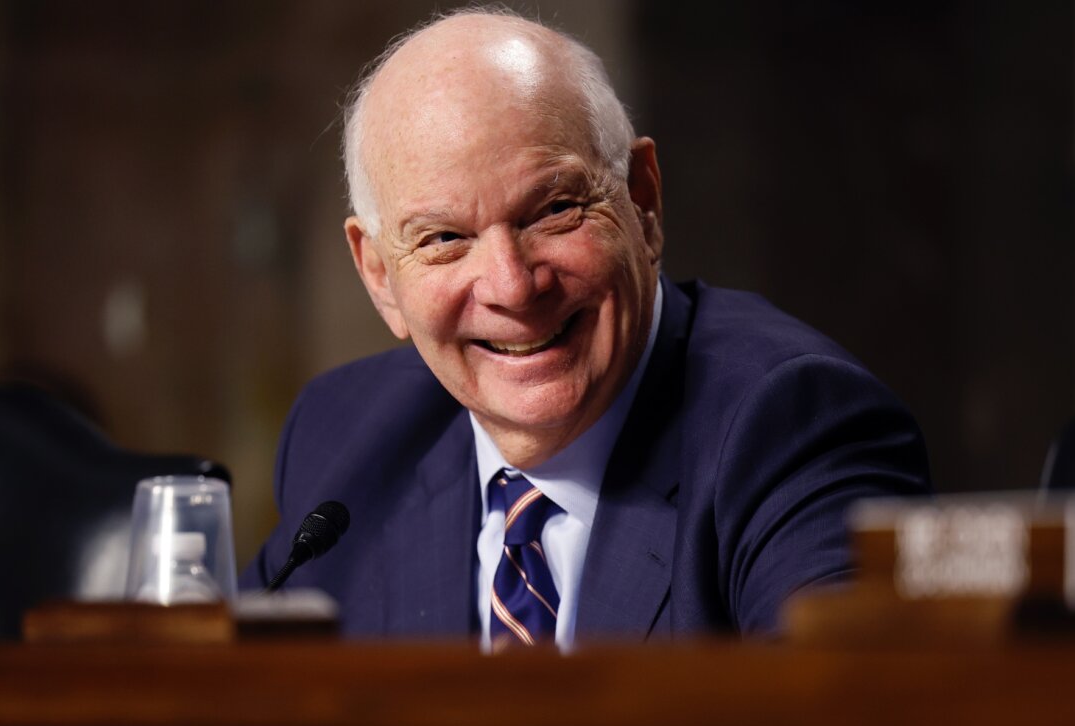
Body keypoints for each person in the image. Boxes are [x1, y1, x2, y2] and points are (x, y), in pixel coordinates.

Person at [240, 9, 929, 650]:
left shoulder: (789, 427)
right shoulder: (345, 436)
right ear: (380, 276)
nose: (512, 286)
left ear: (643, 201)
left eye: (554, 210)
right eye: (445, 237)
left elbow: (852, 703)